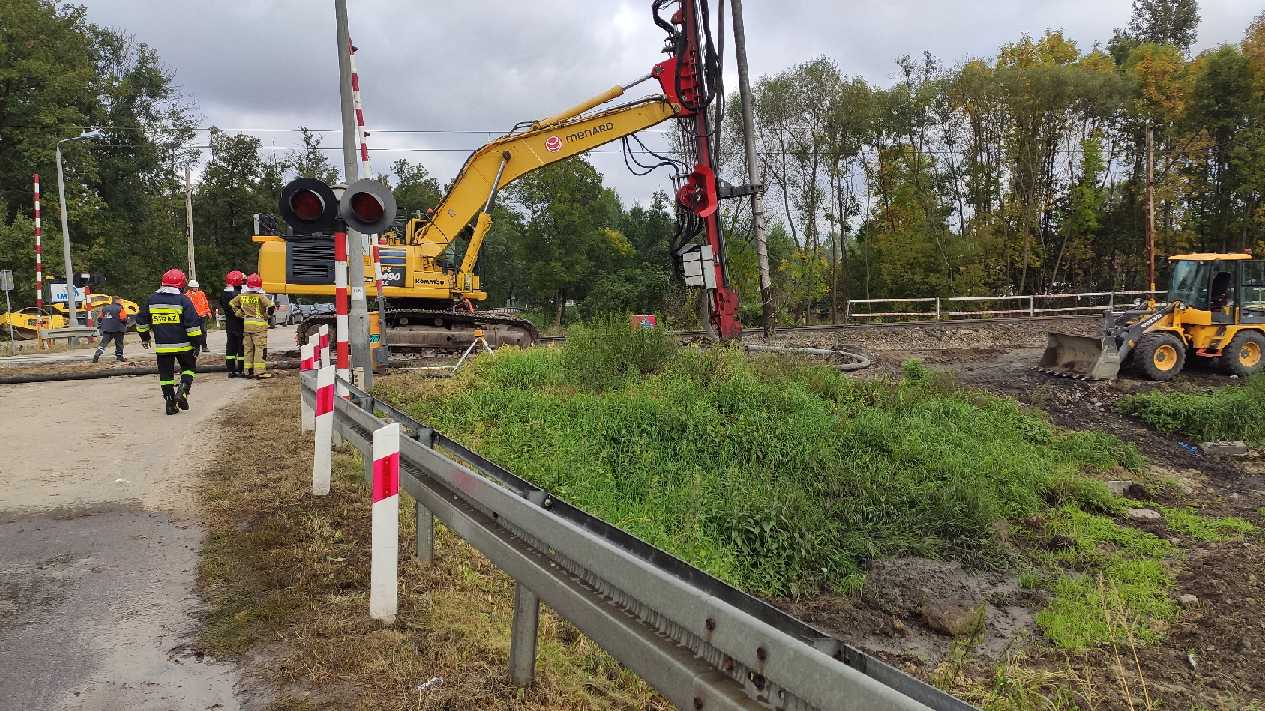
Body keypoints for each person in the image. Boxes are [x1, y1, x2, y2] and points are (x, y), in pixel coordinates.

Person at [136, 268, 202, 415]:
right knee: (189, 369)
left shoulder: (151, 300)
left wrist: (145, 337)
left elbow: (141, 321)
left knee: (166, 376)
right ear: (181, 284)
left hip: (162, 347)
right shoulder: (183, 300)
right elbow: (192, 325)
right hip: (184, 346)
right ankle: (183, 391)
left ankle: (170, 404)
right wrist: (196, 344)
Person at [230, 273, 274, 379]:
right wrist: (267, 316)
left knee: (248, 349)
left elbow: (232, 303)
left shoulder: (242, 296)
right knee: (260, 349)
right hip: (259, 326)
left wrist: (239, 313)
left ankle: (248, 371)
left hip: (247, 325)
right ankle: (260, 372)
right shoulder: (260, 297)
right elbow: (271, 306)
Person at [220, 270, 246, 377]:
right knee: (241, 348)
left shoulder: (224, 294)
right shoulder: (238, 294)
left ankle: (231, 369)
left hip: (230, 325)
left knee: (231, 347)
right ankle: (240, 369)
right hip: (240, 324)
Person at [92, 296, 129, 363]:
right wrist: (127, 322)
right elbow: (123, 319)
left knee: (104, 343)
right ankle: (119, 356)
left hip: (107, 329)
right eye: (120, 300)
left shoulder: (105, 308)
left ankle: (97, 354)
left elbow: (100, 318)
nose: (121, 302)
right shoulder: (120, 308)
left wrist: (102, 326)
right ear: (117, 301)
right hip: (118, 329)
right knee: (119, 343)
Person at [185, 280, 213, 353]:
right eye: (194, 287)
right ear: (190, 287)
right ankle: (194, 346)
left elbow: (205, 303)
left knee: (203, 331)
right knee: (194, 332)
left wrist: (208, 312)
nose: (196, 288)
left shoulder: (201, 294)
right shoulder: (187, 295)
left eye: (197, 287)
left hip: (202, 315)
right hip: (193, 317)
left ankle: (204, 346)